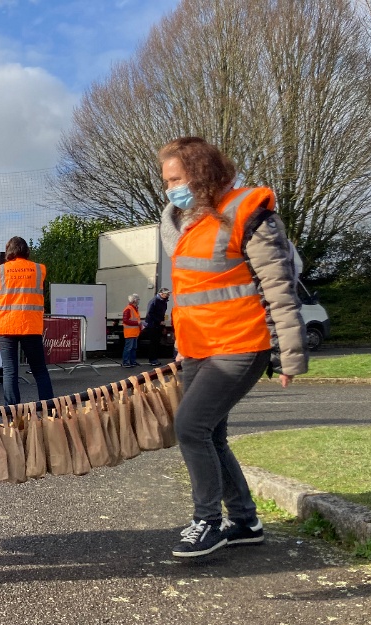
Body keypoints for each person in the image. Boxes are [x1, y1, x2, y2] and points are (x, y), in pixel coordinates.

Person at [159, 136, 308, 559]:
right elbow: (194, 292)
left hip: (241, 344)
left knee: (190, 427)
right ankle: (245, 521)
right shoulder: (189, 223)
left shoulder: (247, 212)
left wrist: (288, 353)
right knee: (213, 434)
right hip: (199, 348)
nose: (170, 189)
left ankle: (207, 521)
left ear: (202, 173)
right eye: (166, 182)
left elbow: (278, 285)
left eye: (176, 179)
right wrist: (183, 342)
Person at [0, 236, 54, 406]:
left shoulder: (1, 270)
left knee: (9, 371)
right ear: (27, 250)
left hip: (5, 325)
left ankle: (12, 412)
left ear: (9, 251)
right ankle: (49, 410)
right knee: (39, 370)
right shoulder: (38, 269)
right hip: (30, 325)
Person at [144, 288, 171, 366]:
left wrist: (163, 326)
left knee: (156, 343)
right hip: (153, 325)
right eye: (167, 294)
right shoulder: (154, 301)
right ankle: (152, 359)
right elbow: (150, 314)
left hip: (158, 325)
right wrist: (159, 321)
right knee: (153, 343)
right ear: (161, 293)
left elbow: (162, 314)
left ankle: (154, 359)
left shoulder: (163, 302)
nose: (168, 295)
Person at [121, 294, 142, 367]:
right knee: (129, 348)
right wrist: (137, 323)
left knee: (133, 348)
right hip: (130, 332)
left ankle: (132, 362)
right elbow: (125, 320)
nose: (138, 301)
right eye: (137, 299)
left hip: (134, 332)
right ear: (134, 300)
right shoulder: (129, 309)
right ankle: (126, 362)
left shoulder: (133, 308)